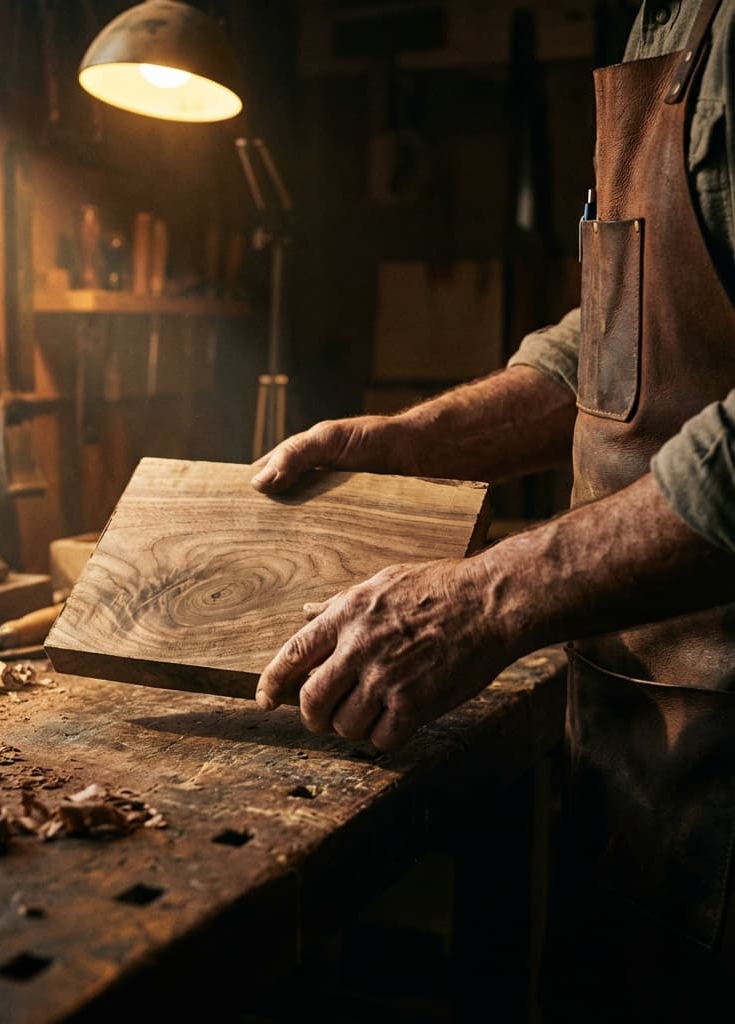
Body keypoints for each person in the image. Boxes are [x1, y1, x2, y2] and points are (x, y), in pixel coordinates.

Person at [252, 0, 735, 1016]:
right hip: (638, 731)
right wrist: (416, 440)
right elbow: (622, 335)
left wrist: (488, 598)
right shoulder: (665, 14)